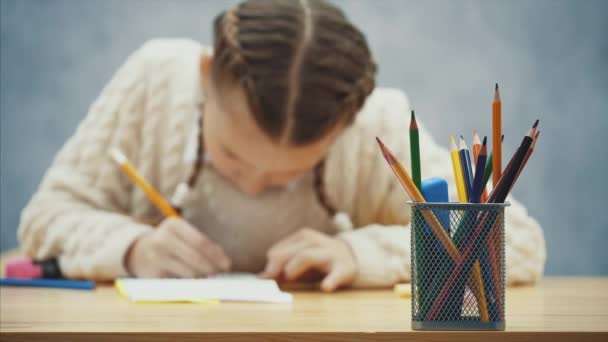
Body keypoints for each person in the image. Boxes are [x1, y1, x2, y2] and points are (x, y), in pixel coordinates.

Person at [18, 0, 545, 292]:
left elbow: (516, 240)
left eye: (287, 174)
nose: (251, 184)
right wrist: (132, 247)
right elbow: (44, 218)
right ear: (206, 76)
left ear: (345, 126)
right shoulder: (157, 78)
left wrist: (358, 253)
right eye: (232, 158)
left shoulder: (374, 125)